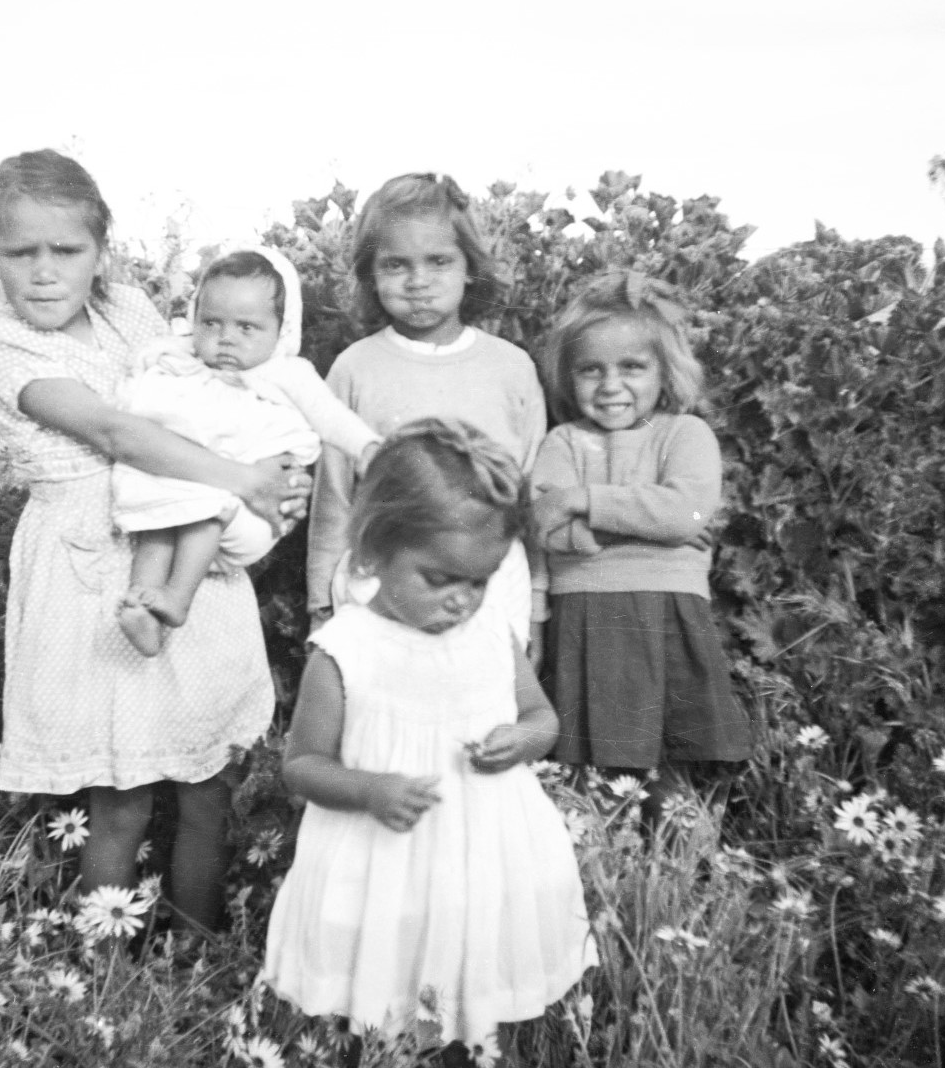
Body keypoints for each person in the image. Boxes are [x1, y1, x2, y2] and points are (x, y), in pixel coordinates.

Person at [0, 150, 310, 934]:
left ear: (101, 252)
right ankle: (103, 973)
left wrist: (275, 473)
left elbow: (212, 390)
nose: (45, 272)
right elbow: (116, 432)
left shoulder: (126, 307)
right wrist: (242, 477)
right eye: (21, 252)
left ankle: (196, 951)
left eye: (67, 250)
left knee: (206, 783)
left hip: (186, 539)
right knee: (118, 794)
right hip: (89, 569)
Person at [266, 419, 597, 1059]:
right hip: (385, 860)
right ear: (372, 553)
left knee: (474, 965)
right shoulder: (345, 651)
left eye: (478, 581)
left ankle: (472, 1042)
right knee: (391, 976)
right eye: (438, 578)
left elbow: (543, 717)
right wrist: (369, 789)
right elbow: (302, 764)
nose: (460, 601)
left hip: (485, 851)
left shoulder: (491, 634)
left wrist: (522, 739)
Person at [530, 269, 752, 831]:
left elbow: (687, 514)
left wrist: (584, 501)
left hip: (666, 612)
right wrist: (649, 525)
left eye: (632, 367)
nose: (611, 385)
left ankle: (679, 866)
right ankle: (599, 865)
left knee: (670, 773)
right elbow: (547, 529)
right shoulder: (562, 442)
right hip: (586, 613)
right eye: (591, 369)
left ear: (665, 371)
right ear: (568, 376)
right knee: (588, 768)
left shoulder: (685, 434)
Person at [305, 172, 547, 644]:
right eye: (396, 265)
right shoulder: (355, 368)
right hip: (383, 577)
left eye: (438, 261)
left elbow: (531, 492)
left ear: (469, 266)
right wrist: (320, 604)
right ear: (371, 274)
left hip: (491, 579)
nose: (418, 281)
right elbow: (334, 496)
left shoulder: (511, 368)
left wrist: (537, 600)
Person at [111, 248, 380, 656]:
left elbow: (329, 416)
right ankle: (142, 607)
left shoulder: (285, 372)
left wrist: (368, 448)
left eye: (247, 327)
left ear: (280, 331)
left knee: (203, 509)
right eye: (211, 323)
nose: (226, 337)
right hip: (189, 481)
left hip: (238, 504)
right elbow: (138, 381)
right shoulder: (181, 359)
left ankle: (177, 599)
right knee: (156, 522)